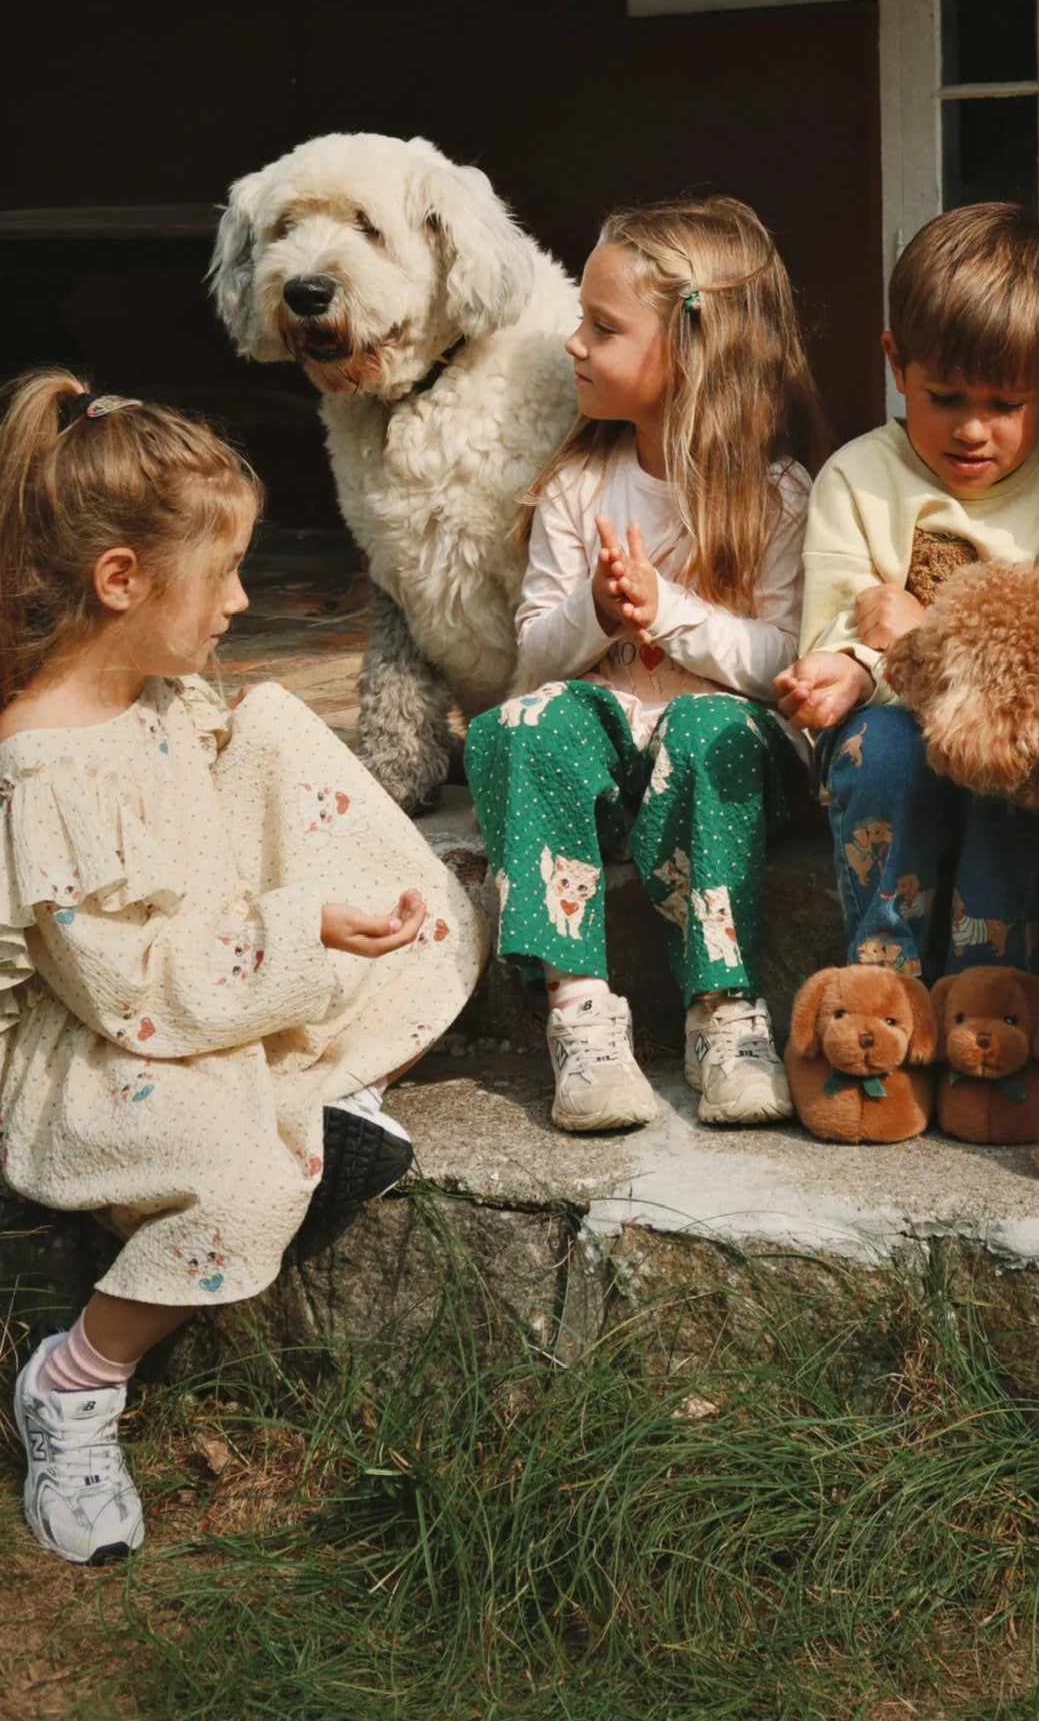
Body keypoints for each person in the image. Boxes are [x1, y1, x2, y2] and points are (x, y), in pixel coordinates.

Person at [0, 373, 486, 1566]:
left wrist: (316, 912)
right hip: (100, 1046)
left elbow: (218, 814)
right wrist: (296, 929)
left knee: (274, 728)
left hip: (210, 968)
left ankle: (309, 1089)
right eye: (219, 576)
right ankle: (77, 1379)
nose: (241, 601)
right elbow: (130, 995)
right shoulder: (43, 775)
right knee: (251, 1178)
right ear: (121, 582)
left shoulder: (161, 690)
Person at [464, 196, 823, 1133]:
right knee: (517, 725)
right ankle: (580, 1013)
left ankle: (728, 1012)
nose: (573, 343)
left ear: (694, 350)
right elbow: (531, 657)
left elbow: (785, 660)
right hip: (610, 745)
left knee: (709, 725)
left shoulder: (778, 498)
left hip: (727, 757)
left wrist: (671, 612)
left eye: (602, 326)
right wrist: (595, 612)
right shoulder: (580, 486)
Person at [776, 204, 1039, 990]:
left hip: (1017, 742)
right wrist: (846, 672)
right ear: (897, 364)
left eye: (1004, 404)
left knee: (1007, 762)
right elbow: (836, 634)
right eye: (945, 396)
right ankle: (885, 989)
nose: (972, 430)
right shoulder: (859, 477)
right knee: (883, 745)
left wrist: (922, 637)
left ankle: (996, 992)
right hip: (891, 736)